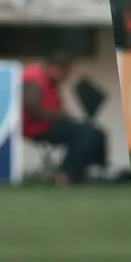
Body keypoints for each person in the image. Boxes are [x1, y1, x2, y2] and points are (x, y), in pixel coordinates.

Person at [21, 51, 108, 185]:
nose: (67, 77)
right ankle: (64, 174)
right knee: (85, 134)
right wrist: (59, 115)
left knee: (96, 133)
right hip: (37, 127)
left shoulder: (51, 80)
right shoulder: (33, 77)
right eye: (66, 72)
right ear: (55, 68)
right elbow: (33, 110)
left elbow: (54, 105)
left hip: (50, 123)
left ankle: (85, 172)